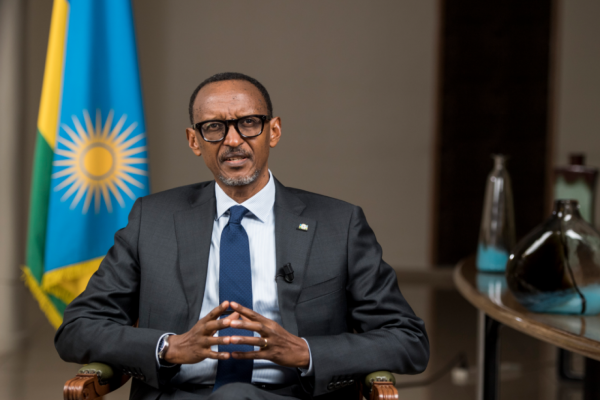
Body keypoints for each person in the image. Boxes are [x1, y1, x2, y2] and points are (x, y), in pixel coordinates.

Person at [55, 72, 429, 400]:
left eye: (249, 123)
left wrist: (305, 351)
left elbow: (408, 339)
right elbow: (77, 328)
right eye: (214, 127)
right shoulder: (151, 220)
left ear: (274, 131)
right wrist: (170, 347)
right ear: (194, 140)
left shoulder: (339, 224)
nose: (233, 140)